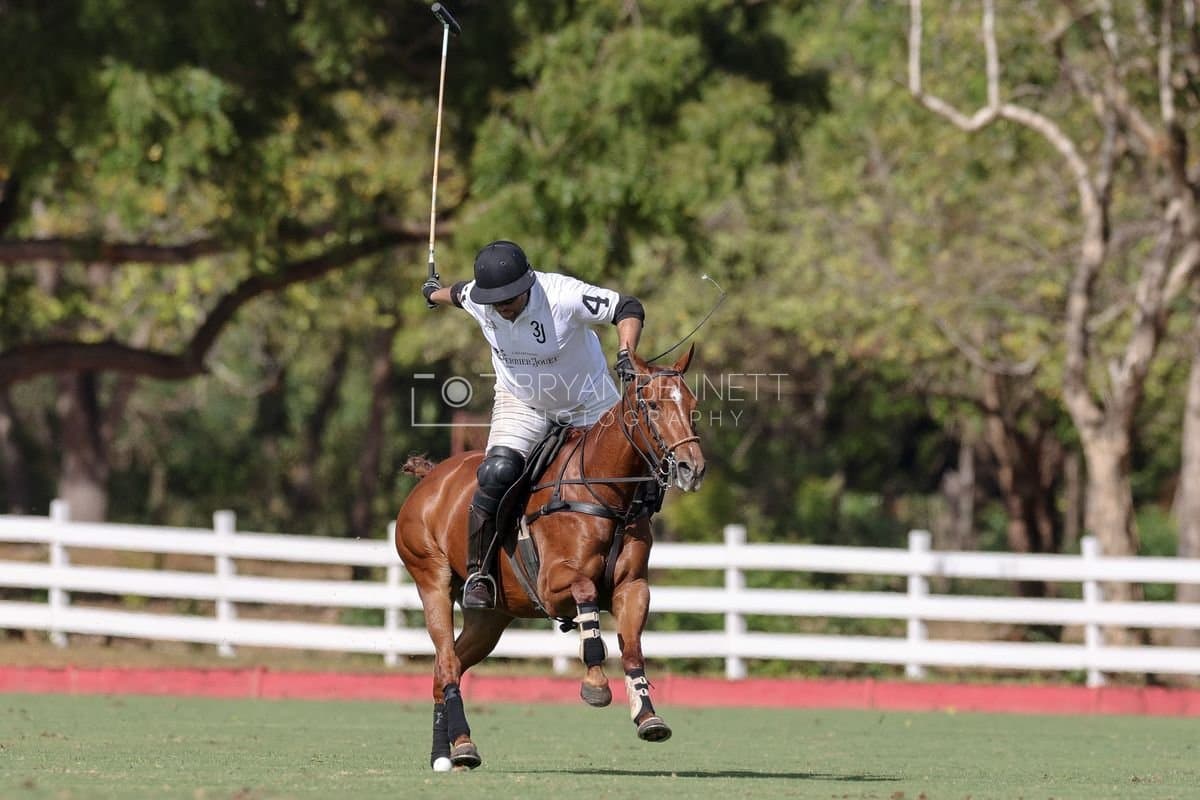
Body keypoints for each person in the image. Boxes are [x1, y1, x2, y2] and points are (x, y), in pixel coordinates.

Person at [422, 240, 645, 609]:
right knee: (495, 473)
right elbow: (456, 293)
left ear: (528, 283)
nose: (504, 308)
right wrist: (433, 294)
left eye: (510, 299)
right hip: (522, 402)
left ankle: (627, 565)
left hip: (588, 401)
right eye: (496, 302)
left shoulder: (563, 295)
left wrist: (625, 354)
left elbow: (627, 306)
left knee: (639, 464)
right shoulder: (481, 299)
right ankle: (481, 573)